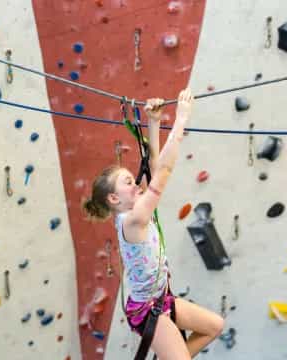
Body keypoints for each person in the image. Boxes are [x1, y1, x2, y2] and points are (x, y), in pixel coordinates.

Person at [83, 88, 224, 359]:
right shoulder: (135, 218)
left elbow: (154, 167)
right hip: (147, 310)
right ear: (114, 198)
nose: (135, 183)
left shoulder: (135, 209)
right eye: (128, 182)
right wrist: (181, 119)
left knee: (213, 326)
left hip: (161, 299)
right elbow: (164, 172)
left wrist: (155, 121)